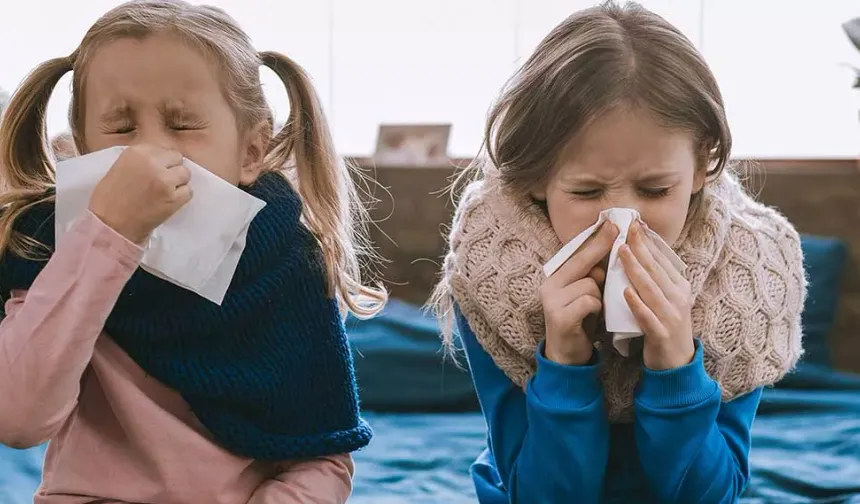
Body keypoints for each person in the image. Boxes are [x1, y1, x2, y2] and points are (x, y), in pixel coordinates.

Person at [0, 1, 386, 502]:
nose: (149, 152)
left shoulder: (289, 264)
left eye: (182, 125)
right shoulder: (47, 250)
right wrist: (104, 238)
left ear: (250, 152)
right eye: (120, 129)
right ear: (81, 148)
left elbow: (323, 462)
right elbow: (19, 419)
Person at [432, 2, 806, 503]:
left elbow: (711, 497)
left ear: (702, 166)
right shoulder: (490, 271)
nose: (620, 222)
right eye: (586, 193)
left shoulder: (748, 280)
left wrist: (676, 365)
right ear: (538, 179)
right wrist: (564, 359)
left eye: (655, 190)